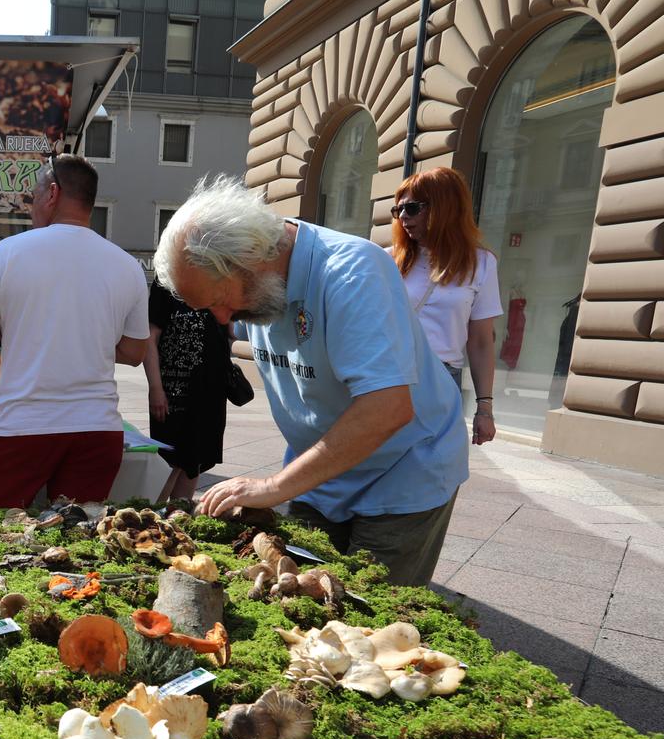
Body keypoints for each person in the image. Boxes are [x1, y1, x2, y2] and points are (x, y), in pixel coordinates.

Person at [153, 175, 467, 586]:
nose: (224, 321)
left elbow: (387, 408)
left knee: (370, 617)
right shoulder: (258, 278)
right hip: (322, 476)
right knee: (295, 599)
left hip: (403, 472)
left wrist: (274, 486)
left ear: (250, 255)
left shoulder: (351, 273)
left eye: (218, 301)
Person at [0, 153, 148, 508]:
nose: (31, 207)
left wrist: (17, 324)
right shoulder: (127, 265)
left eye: (32, 198)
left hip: (23, 426)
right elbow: (135, 353)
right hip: (97, 427)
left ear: (52, 194)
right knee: (77, 544)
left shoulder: (9, 252)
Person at [389, 166, 501, 445]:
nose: (403, 216)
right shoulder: (386, 261)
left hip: (441, 380)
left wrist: (484, 409)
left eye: (412, 208)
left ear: (444, 207)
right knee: (383, 471)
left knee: (435, 472)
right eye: (398, 209)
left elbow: (481, 342)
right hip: (388, 376)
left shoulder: (481, 264)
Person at [144, 280, 231, 502]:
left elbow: (230, 331)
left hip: (210, 391)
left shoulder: (217, 279)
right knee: (171, 460)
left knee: (196, 460)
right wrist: (155, 388)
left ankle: (179, 517)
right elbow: (150, 337)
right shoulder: (165, 283)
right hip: (174, 390)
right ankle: (155, 517)